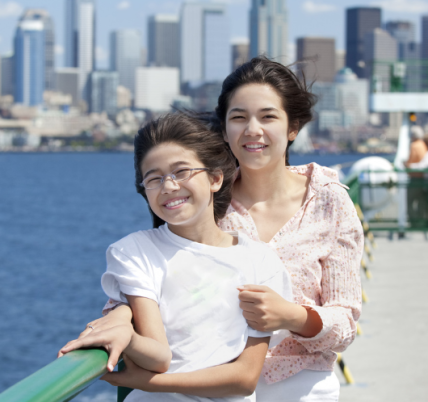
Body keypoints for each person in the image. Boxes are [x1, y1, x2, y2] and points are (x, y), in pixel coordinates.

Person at [63, 57, 364, 402]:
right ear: (223, 128)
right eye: (238, 117)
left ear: (293, 127)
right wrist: (118, 316)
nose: (252, 129)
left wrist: (292, 316)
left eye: (268, 116)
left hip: (300, 379)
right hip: (205, 382)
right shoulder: (200, 196)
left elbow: (344, 323)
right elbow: (153, 271)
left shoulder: (328, 201)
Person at [59, 112, 293, 402]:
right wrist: (126, 334)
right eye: (154, 179)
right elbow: (159, 355)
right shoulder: (135, 251)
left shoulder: (260, 261)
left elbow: (244, 379)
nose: (169, 186)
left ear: (215, 178)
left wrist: (149, 383)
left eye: (181, 172)